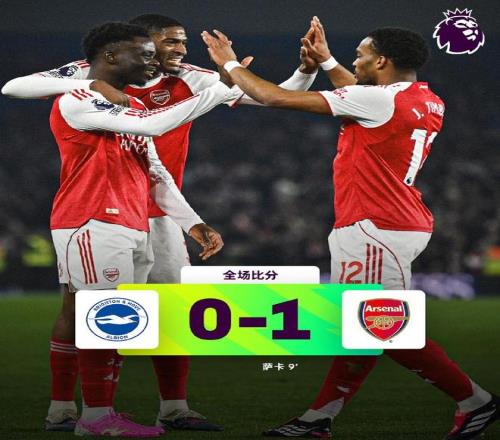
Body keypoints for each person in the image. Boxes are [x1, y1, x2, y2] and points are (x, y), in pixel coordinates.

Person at [2, 14, 344, 432]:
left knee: (161, 310)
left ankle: (170, 407)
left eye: (182, 43)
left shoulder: (186, 79)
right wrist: (91, 84)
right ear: (134, 46)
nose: (179, 51)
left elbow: (274, 97)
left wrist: (302, 71)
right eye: (167, 44)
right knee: (86, 310)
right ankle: (71, 409)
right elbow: (13, 87)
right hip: (95, 213)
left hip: (154, 211)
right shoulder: (84, 82)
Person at [201, 17, 499, 440]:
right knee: (363, 326)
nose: (354, 62)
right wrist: (326, 60)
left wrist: (229, 63)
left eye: (360, 55)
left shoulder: (375, 100)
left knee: (385, 328)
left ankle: (475, 401)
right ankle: (318, 418)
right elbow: (361, 95)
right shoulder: (426, 98)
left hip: (375, 226)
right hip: (393, 221)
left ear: (381, 61)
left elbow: (274, 97)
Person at [44, 21, 239, 437]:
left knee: (134, 314)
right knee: (97, 314)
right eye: (145, 53)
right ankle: (91, 416)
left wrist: (193, 223)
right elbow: (156, 126)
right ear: (112, 56)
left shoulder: (132, 108)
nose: (154, 61)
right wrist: (221, 88)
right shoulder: (77, 99)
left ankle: (134, 411)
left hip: (131, 221)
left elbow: (156, 172)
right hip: (91, 218)